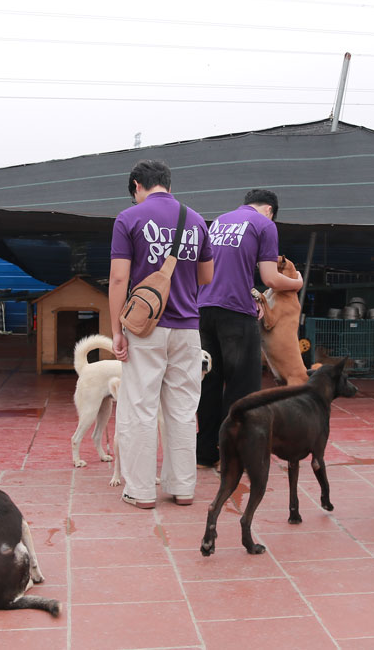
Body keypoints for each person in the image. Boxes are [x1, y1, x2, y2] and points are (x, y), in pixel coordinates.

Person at [108, 159, 214, 509]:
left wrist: (116, 332)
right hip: (188, 329)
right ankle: (182, 488)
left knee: (140, 408)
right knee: (183, 409)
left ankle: (140, 491)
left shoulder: (129, 218)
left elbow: (120, 279)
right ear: (169, 183)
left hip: (145, 328)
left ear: (137, 185)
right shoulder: (197, 220)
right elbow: (206, 277)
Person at [194, 189, 303, 468]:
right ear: (270, 210)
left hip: (204, 310)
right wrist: (296, 283)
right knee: (242, 388)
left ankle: (206, 453)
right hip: (235, 314)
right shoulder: (265, 225)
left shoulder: (217, 221)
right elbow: (270, 278)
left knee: (209, 383)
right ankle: (235, 453)